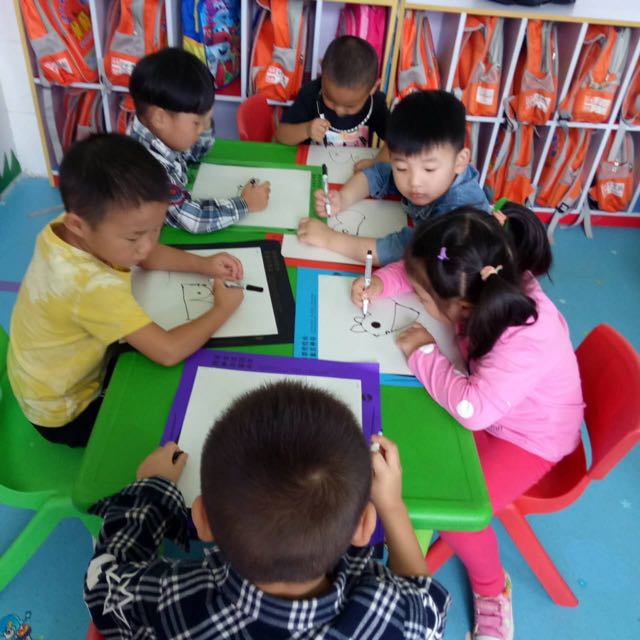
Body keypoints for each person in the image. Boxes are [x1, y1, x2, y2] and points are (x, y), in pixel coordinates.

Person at [351, 204, 584, 640]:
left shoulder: (522, 336)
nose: (418, 299)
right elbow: (422, 271)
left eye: (423, 299)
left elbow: (472, 408)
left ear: (461, 305)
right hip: (498, 407)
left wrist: (424, 354)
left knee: (457, 510)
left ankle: (492, 589)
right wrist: (383, 282)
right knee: (416, 453)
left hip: (530, 437)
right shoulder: (478, 274)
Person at [84, 381, 451, 638]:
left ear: (202, 519)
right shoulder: (391, 616)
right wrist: (392, 506)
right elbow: (426, 610)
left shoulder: (173, 600)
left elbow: (101, 588)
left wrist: (151, 489)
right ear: (364, 526)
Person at [7, 134, 245, 448]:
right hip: (65, 412)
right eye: (134, 238)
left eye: (156, 229)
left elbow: (144, 255)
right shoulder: (88, 285)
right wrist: (223, 309)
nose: (147, 245)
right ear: (79, 225)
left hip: (40, 376)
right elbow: (168, 351)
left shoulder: (75, 225)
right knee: (172, 412)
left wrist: (204, 265)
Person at [298, 90, 490, 266]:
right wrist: (342, 199)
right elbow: (378, 174)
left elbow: (392, 251)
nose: (414, 182)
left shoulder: (458, 216)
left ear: (460, 161)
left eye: (429, 169)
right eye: (401, 168)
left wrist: (328, 238)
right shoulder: (427, 172)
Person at [128, 47, 270, 233]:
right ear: (160, 119)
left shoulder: (164, 134)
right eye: (196, 122)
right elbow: (193, 219)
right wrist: (245, 204)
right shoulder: (148, 168)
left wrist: (203, 121)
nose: (203, 128)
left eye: (207, 119)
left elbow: (197, 152)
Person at [275, 35, 389, 170]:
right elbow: (281, 135)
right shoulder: (310, 94)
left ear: (373, 88)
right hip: (314, 170)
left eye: (350, 106)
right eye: (329, 98)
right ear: (322, 71)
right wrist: (306, 129)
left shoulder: (376, 103)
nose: (339, 110)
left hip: (356, 172)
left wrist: (375, 162)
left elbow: (398, 143)